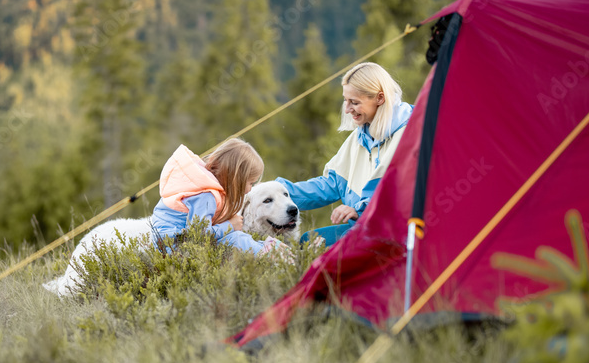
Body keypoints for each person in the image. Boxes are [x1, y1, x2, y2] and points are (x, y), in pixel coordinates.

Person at [277, 62, 414, 246]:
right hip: (361, 228)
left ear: (380, 98)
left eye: (355, 102)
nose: (348, 109)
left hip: (392, 232)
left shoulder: (409, 135)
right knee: (308, 241)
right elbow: (331, 184)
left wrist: (360, 211)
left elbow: (401, 195)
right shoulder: (360, 135)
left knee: (315, 247)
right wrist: (279, 192)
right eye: (346, 100)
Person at [151, 138, 281, 254]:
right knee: (237, 240)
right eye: (250, 183)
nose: (250, 189)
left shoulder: (204, 185)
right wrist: (230, 225)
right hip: (175, 249)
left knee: (238, 238)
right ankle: (272, 256)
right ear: (236, 179)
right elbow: (200, 237)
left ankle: (268, 250)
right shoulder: (205, 196)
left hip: (174, 243)